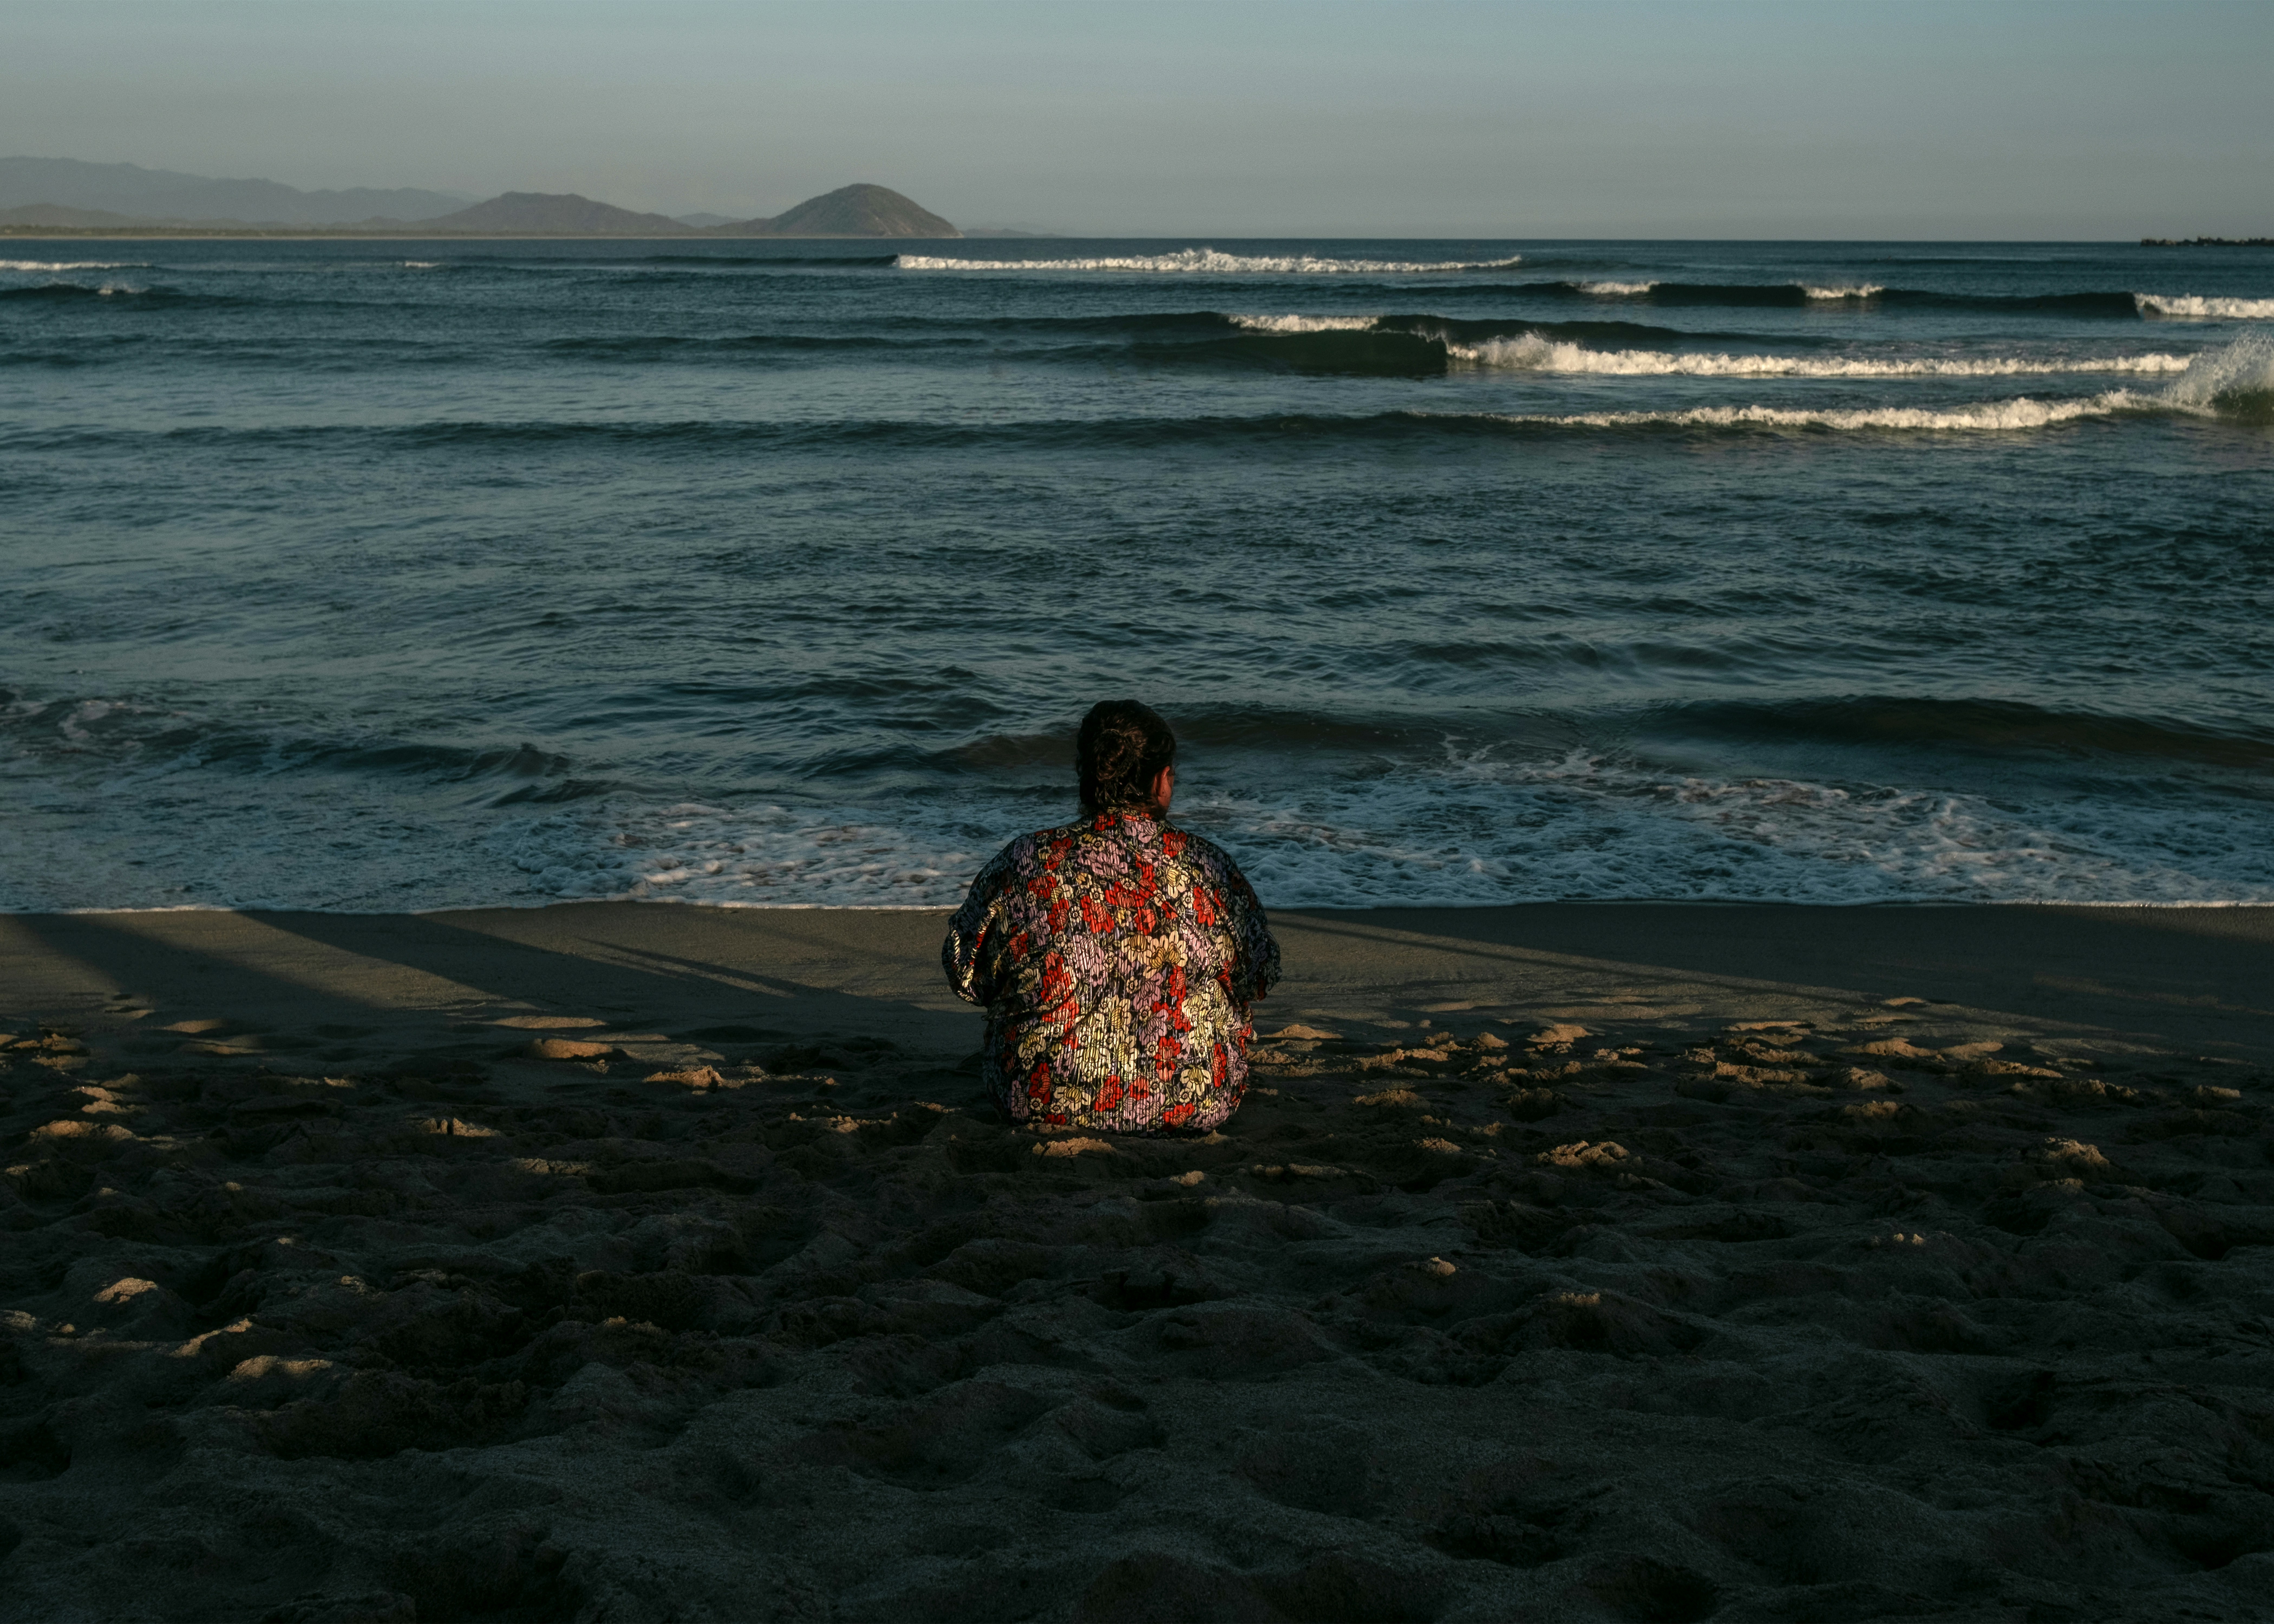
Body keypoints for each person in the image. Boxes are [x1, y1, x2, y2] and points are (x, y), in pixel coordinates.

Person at [942, 700, 1280, 1133]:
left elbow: (964, 972)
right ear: (1160, 780)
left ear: (1086, 774)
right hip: (1193, 1100)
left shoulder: (1028, 859)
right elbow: (1261, 974)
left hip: (1038, 1098)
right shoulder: (1207, 866)